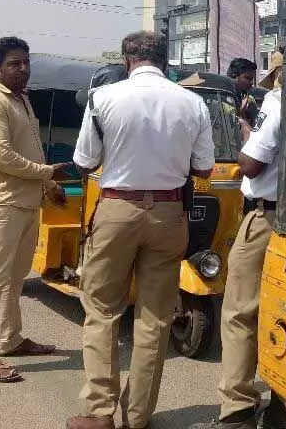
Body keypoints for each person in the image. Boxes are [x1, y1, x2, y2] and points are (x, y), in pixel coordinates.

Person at [67, 31, 216, 429]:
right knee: (154, 319)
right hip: (169, 215)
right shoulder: (193, 103)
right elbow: (203, 169)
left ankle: (100, 413)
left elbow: (84, 161)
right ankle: (138, 417)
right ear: (164, 61)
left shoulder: (104, 98)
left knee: (101, 311)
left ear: (126, 59)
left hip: (117, 209)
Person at [190, 47, 285, 429]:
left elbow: (250, 164)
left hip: (268, 218)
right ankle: (283, 403)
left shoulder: (279, 104)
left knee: (240, 314)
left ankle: (238, 409)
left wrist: (248, 131)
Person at [0, 37, 70, 383]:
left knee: (14, 280)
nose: (22, 69)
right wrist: (47, 174)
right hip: (1, 205)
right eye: (14, 64)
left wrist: (48, 187)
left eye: (25, 62)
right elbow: (2, 157)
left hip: (27, 203)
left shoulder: (21, 101)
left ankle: (10, 340)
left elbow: (33, 150)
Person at [226, 57, 260, 125]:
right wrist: (240, 111)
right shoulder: (221, 98)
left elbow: (254, 128)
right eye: (247, 78)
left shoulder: (250, 100)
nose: (251, 83)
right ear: (234, 77)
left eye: (252, 79)